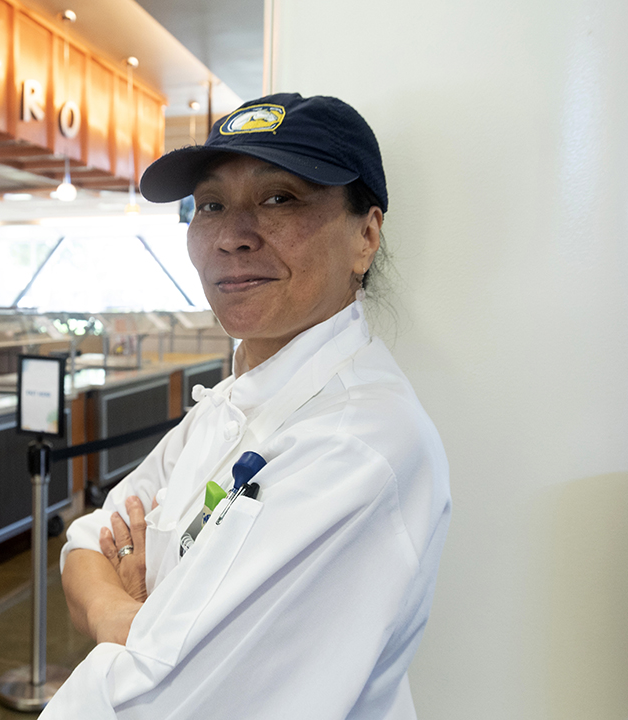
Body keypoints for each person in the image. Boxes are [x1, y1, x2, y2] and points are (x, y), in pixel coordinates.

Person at [45, 93, 451, 719]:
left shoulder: (355, 445)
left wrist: (147, 604)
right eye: (210, 205)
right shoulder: (232, 400)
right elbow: (85, 542)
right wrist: (123, 614)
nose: (231, 236)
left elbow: (149, 703)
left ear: (365, 236)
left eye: (279, 198)